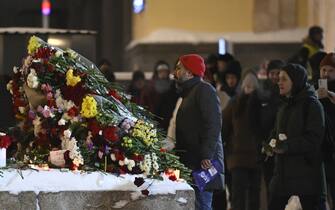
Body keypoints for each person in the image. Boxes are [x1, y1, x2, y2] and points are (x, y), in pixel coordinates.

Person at [267, 64, 325, 210]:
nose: (279, 82)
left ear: (296, 81)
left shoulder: (312, 105)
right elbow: (275, 133)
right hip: (283, 174)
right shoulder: (284, 107)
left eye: (284, 79)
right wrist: (269, 145)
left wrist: (287, 146)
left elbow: (314, 139)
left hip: (307, 175)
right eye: (279, 78)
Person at [174, 54, 224, 210]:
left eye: (179, 67)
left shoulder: (204, 90)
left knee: (202, 205)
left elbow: (213, 124)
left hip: (203, 163)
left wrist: (206, 155)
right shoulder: (189, 93)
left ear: (189, 72)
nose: (175, 71)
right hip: (193, 161)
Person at [223, 71, 262, 210]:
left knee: (252, 196)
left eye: (252, 86)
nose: (249, 89)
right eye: (247, 86)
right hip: (239, 157)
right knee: (240, 196)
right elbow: (224, 128)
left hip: (249, 156)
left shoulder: (259, 105)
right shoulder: (235, 104)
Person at [259, 60, 285, 198]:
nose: (275, 77)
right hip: (267, 147)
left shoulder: (287, 95)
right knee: (269, 185)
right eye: (272, 73)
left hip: (284, 146)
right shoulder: (262, 94)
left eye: (278, 73)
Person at [317, 53, 335, 209]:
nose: (326, 74)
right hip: (320, 151)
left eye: (330, 70)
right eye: (324, 70)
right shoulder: (314, 92)